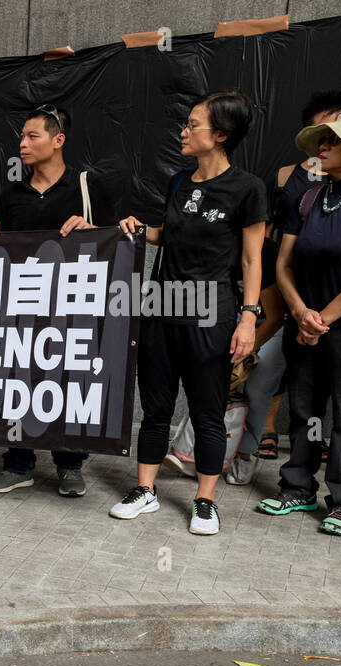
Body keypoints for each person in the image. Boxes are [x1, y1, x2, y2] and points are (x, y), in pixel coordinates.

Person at [113, 90, 267, 535]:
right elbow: (170, 234)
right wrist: (142, 230)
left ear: (220, 135)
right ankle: (145, 490)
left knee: (206, 409)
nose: (184, 131)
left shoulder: (248, 188)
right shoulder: (180, 182)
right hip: (163, 305)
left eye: (192, 125)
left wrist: (248, 316)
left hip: (211, 309)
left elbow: (252, 259)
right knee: (156, 405)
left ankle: (205, 500)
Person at [0, 106, 101, 496]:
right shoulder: (12, 193)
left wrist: (93, 229)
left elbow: (115, 242)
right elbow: (3, 245)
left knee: (70, 380)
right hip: (22, 307)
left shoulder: (87, 186)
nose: (22, 144)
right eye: (21, 137)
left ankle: (70, 464)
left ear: (58, 140)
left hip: (73, 305)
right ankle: (17, 463)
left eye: (32, 137)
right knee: (19, 380)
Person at [263, 106, 341, 536]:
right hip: (305, 323)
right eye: (322, 139)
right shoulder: (308, 197)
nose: (323, 146)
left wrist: (323, 316)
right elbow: (283, 263)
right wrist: (302, 312)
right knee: (305, 409)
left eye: (334, 140)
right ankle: (298, 485)